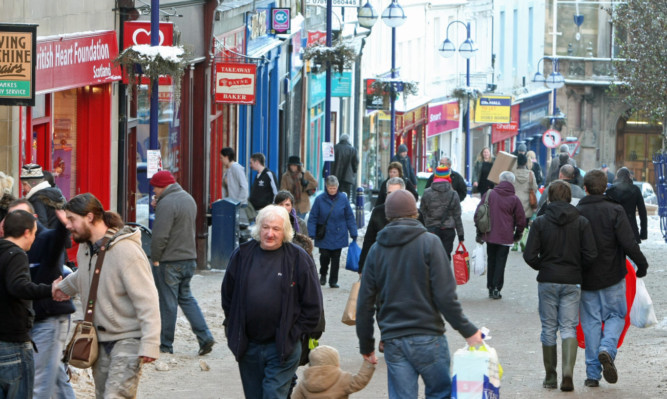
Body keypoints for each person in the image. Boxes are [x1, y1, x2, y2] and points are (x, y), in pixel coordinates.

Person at [356, 189, 483, 398]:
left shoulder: (376, 250)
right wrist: (468, 331)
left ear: (388, 216)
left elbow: (365, 303)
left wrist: (366, 345)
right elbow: (445, 296)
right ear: (415, 213)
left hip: (394, 340)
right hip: (429, 336)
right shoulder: (430, 243)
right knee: (439, 393)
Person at [54, 193, 161, 398]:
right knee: (103, 395)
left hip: (127, 339)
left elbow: (147, 299)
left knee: (115, 396)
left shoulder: (126, 250)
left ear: (90, 217)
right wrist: (63, 287)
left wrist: (151, 342)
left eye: (72, 220)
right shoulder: (86, 249)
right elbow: (86, 274)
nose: (68, 226)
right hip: (98, 339)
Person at [221, 205, 323, 399]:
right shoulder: (242, 255)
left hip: (283, 346)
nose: (270, 234)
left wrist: (294, 333)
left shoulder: (298, 259)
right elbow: (228, 297)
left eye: (276, 229)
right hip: (248, 346)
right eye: (266, 227)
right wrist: (234, 326)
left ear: (284, 232)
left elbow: (313, 306)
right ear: (258, 228)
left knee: (272, 394)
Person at [576, 170, 649, 388]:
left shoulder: (578, 211)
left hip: (587, 277)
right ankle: (607, 348)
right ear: (605, 187)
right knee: (617, 314)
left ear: (586, 189)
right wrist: (641, 264)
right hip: (613, 275)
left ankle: (592, 375)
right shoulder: (615, 210)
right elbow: (628, 242)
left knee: (590, 323)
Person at [523, 181, 598, 391]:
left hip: (547, 280)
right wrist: (577, 269)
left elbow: (529, 255)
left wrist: (544, 266)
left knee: (548, 328)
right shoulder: (581, 222)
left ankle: (550, 377)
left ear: (549, 198)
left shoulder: (540, 223)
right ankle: (568, 373)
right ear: (568, 198)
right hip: (572, 281)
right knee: (568, 327)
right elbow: (591, 254)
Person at [7, 200, 76, 399]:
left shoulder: (44, 238)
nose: (17, 223)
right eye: (12, 218)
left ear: (34, 221)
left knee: (39, 380)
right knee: (55, 377)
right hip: (32, 319)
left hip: (49, 318)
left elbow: (56, 243)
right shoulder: (11, 246)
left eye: (22, 217)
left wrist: (63, 225)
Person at [149, 170, 215, 356]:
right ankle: (205, 336)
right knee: (186, 298)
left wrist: (155, 258)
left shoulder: (167, 203)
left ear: (162, 186)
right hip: (189, 258)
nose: (154, 191)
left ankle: (165, 345)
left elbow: (160, 235)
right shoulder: (188, 198)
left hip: (170, 260)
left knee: (168, 303)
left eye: (155, 187)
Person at [476, 171, 526, 299]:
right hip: (506, 236)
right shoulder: (514, 199)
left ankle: (490, 287)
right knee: (500, 262)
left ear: (500, 181)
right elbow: (521, 220)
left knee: (491, 260)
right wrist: (518, 234)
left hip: (490, 234)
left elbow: (478, 214)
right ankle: (497, 288)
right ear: (512, 182)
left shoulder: (489, 194)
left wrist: (480, 231)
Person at [307, 176, 358, 288]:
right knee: (324, 256)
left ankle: (333, 280)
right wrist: (311, 232)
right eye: (330, 188)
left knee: (336, 257)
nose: (332, 190)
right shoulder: (320, 199)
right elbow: (313, 217)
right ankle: (323, 274)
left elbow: (349, 216)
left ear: (337, 187)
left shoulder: (343, 199)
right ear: (326, 187)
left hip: (339, 232)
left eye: (334, 188)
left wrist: (353, 231)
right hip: (324, 233)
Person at [291, 345, 375, 399]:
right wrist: (368, 364)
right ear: (336, 363)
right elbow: (360, 380)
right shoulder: (342, 379)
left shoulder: (305, 383)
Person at [358, 177, 405, 274]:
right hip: (382, 266)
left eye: (396, 193)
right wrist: (362, 267)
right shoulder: (378, 212)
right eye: (389, 193)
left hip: (405, 267)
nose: (392, 196)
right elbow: (369, 240)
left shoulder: (414, 214)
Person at [420, 166, 464, 260]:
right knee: (445, 256)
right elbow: (457, 216)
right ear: (448, 177)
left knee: (431, 257)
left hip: (431, 229)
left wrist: (426, 224)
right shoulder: (453, 194)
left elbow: (422, 211)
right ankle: (445, 273)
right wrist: (461, 235)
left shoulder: (427, 192)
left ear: (435, 176)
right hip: (448, 230)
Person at [605, 167, 647, 244]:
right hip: (631, 228)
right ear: (628, 176)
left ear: (617, 176)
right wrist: (643, 233)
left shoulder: (610, 190)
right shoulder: (635, 189)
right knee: (632, 253)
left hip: (614, 228)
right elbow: (642, 212)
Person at [20, 164, 67, 229]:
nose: (23, 188)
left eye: (24, 184)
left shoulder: (36, 199)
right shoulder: (53, 193)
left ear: (32, 183)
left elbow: (41, 224)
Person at [512, 154, 539, 225]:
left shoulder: (512, 173)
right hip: (527, 207)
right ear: (526, 163)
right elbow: (535, 188)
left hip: (514, 205)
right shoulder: (531, 174)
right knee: (524, 229)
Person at [331, 134, 359, 200]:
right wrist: (353, 172)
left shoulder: (334, 148)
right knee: (346, 196)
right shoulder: (353, 150)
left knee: (334, 195)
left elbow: (329, 162)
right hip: (347, 178)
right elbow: (355, 163)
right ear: (348, 140)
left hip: (335, 176)